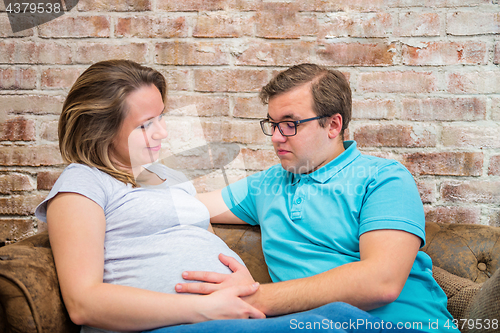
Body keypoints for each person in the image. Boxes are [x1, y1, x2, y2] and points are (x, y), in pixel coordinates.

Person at [172, 64, 460, 333]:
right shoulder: (267, 185)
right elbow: (182, 205)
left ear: (333, 125)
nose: (275, 136)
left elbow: (381, 283)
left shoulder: (384, 178)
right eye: (272, 123)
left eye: (289, 123)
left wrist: (255, 297)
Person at [34, 59, 266, 333]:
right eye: (145, 125)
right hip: (173, 324)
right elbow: (83, 303)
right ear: (101, 128)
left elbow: (204, 243)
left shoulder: (172, 177)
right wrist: (203, 309)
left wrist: (245, 283)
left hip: (232, 316)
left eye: (161, 116)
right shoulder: (84, 181)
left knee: (330, 314)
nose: (162, 132)